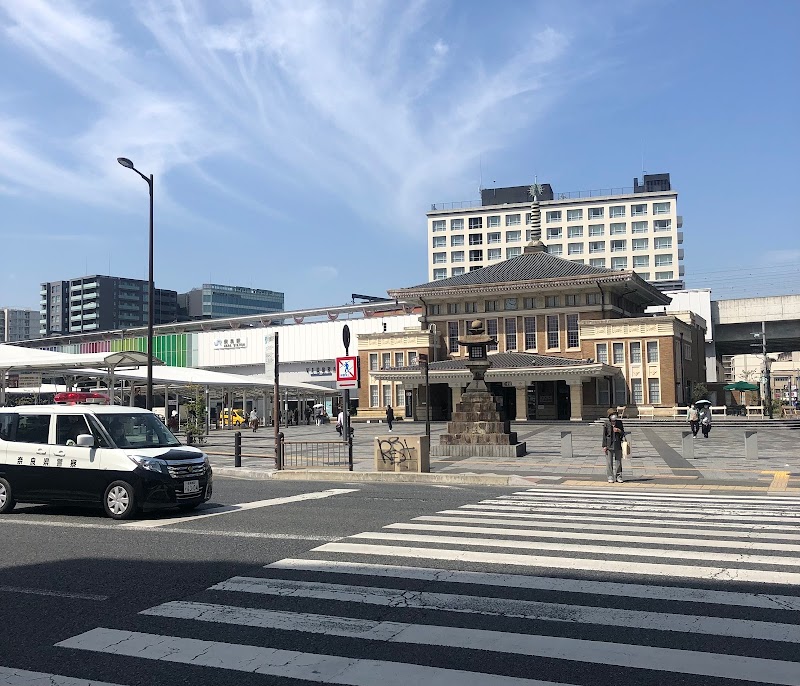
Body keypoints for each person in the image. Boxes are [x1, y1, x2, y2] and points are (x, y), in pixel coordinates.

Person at [602, 407, 626, 483]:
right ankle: (610, 476)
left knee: (618, 461)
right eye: (612, 414)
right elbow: (604, 435)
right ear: (609, 416)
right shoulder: (607, 423)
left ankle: (619, 476)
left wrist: (619, 430)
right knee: (609, 462)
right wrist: (604, 446)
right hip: (609, 444)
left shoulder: (619, 423)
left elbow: (623, 433)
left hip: (618, 444)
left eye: (615, 414)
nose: (614, 416)